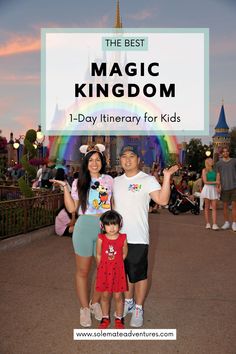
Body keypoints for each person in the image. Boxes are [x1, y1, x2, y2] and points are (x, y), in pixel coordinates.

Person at [113, 145, 179, 327]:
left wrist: (166, 177)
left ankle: (139, 308)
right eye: (124, 156)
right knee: (125, 273)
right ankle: (128, 301)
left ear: (138, 160)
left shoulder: (147, 179)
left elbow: (163, 200)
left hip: (138, 236)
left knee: (139, 274)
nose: (127, 160)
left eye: (131, 156)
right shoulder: (116, 181)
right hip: (118, 238)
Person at [50, 144, 113, 327]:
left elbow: (114, 204)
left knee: (103, 270)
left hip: (105, 228)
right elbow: (72, 208)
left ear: (103, 162)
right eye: (91, 160)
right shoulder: (79, 182)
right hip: (84, 227)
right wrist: (65, 188)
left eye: (97, 160)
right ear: (86, 162)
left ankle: (95, 303)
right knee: (83, 271)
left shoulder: (109, 180)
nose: (94, 163)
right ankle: (84, 308)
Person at [96, 210, 128, 329]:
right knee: (105, 296)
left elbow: (124, 253)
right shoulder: (101, 238)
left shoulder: (123, 238)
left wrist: (117, 263)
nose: (112, 228)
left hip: (118, 272)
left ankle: (119, 318)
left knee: (118, 296)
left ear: (119, 225)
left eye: (114, 224)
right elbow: (98, 254)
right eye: (108, 225)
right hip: (104, 272)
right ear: (103, 226)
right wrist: (101, 267)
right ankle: (105, 318)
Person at [216, 147, 236, 231]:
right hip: (224, 188)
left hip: (234, 186)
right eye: (223, 152)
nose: (225, 153)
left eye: (227, 151)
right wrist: (218, 186)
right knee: (225, 207)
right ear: (221, 153)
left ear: (229, 152)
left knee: (234, 207)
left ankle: (234, 223)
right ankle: (226, 223)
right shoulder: (218, 163)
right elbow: (218, 175)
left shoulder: (234, 161)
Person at [200, 158, 219, 230]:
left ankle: (214, 224)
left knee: (214, 207)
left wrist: (217, 186)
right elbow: (205, 182)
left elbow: (218, 180)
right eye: (210, 161)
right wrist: (215, 182)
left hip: (213, 189)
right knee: (207, 207)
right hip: (207, 189)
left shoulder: (216, 170)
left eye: (212, 160)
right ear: (207, 162)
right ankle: (208, 223)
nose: (212, 161)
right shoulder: (204, 170)